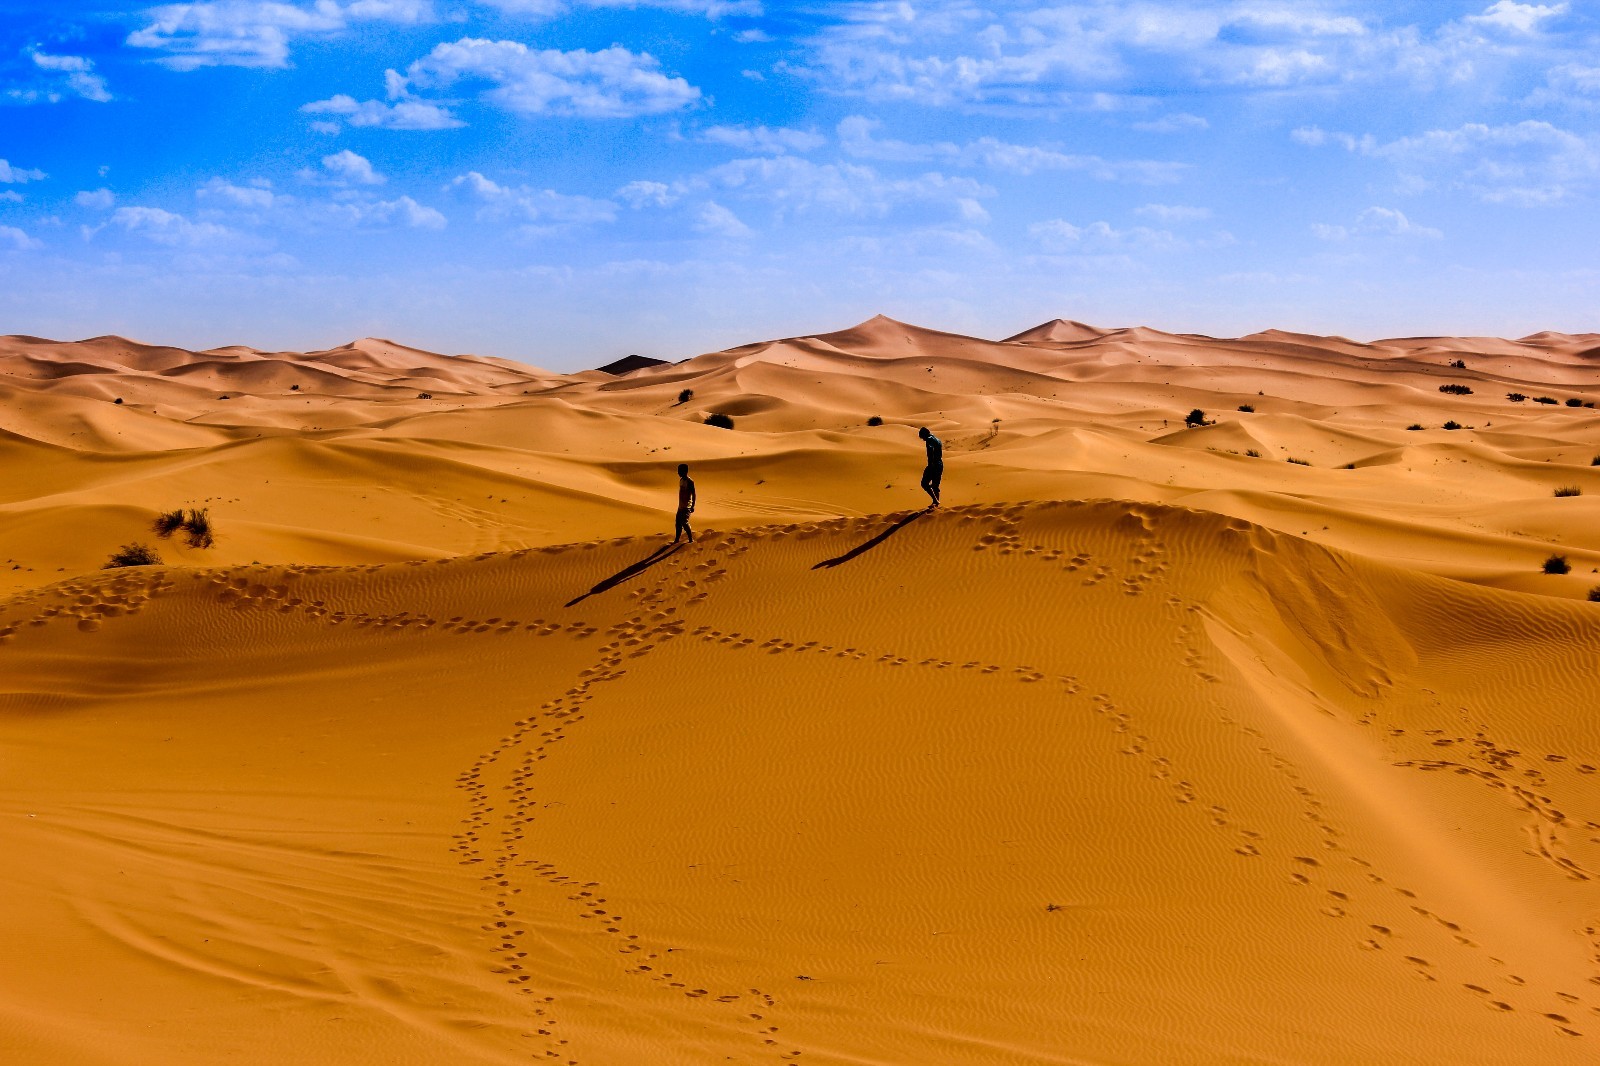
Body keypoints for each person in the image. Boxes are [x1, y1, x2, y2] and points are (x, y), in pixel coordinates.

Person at [918, 426, 942, 508]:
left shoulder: (929, 439)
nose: (923, 439)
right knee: (935, 485)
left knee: (924, 483)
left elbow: (930, 452)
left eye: (922, 437)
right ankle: (936, 503)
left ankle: (935, 500)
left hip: (933, 464)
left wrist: (930, 465)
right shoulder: (937, 439)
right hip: (940, 464)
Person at [672, 462, 696, 543]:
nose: (678, 473)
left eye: (679, 471)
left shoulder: (690, 481)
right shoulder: (681, 480)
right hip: (680, 506)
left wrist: (692, 506)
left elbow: (694, 494)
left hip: (686, 506)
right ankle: (677, 539)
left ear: (684, 471)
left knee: (684, 523)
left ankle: (690, 539)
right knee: (678, 523)